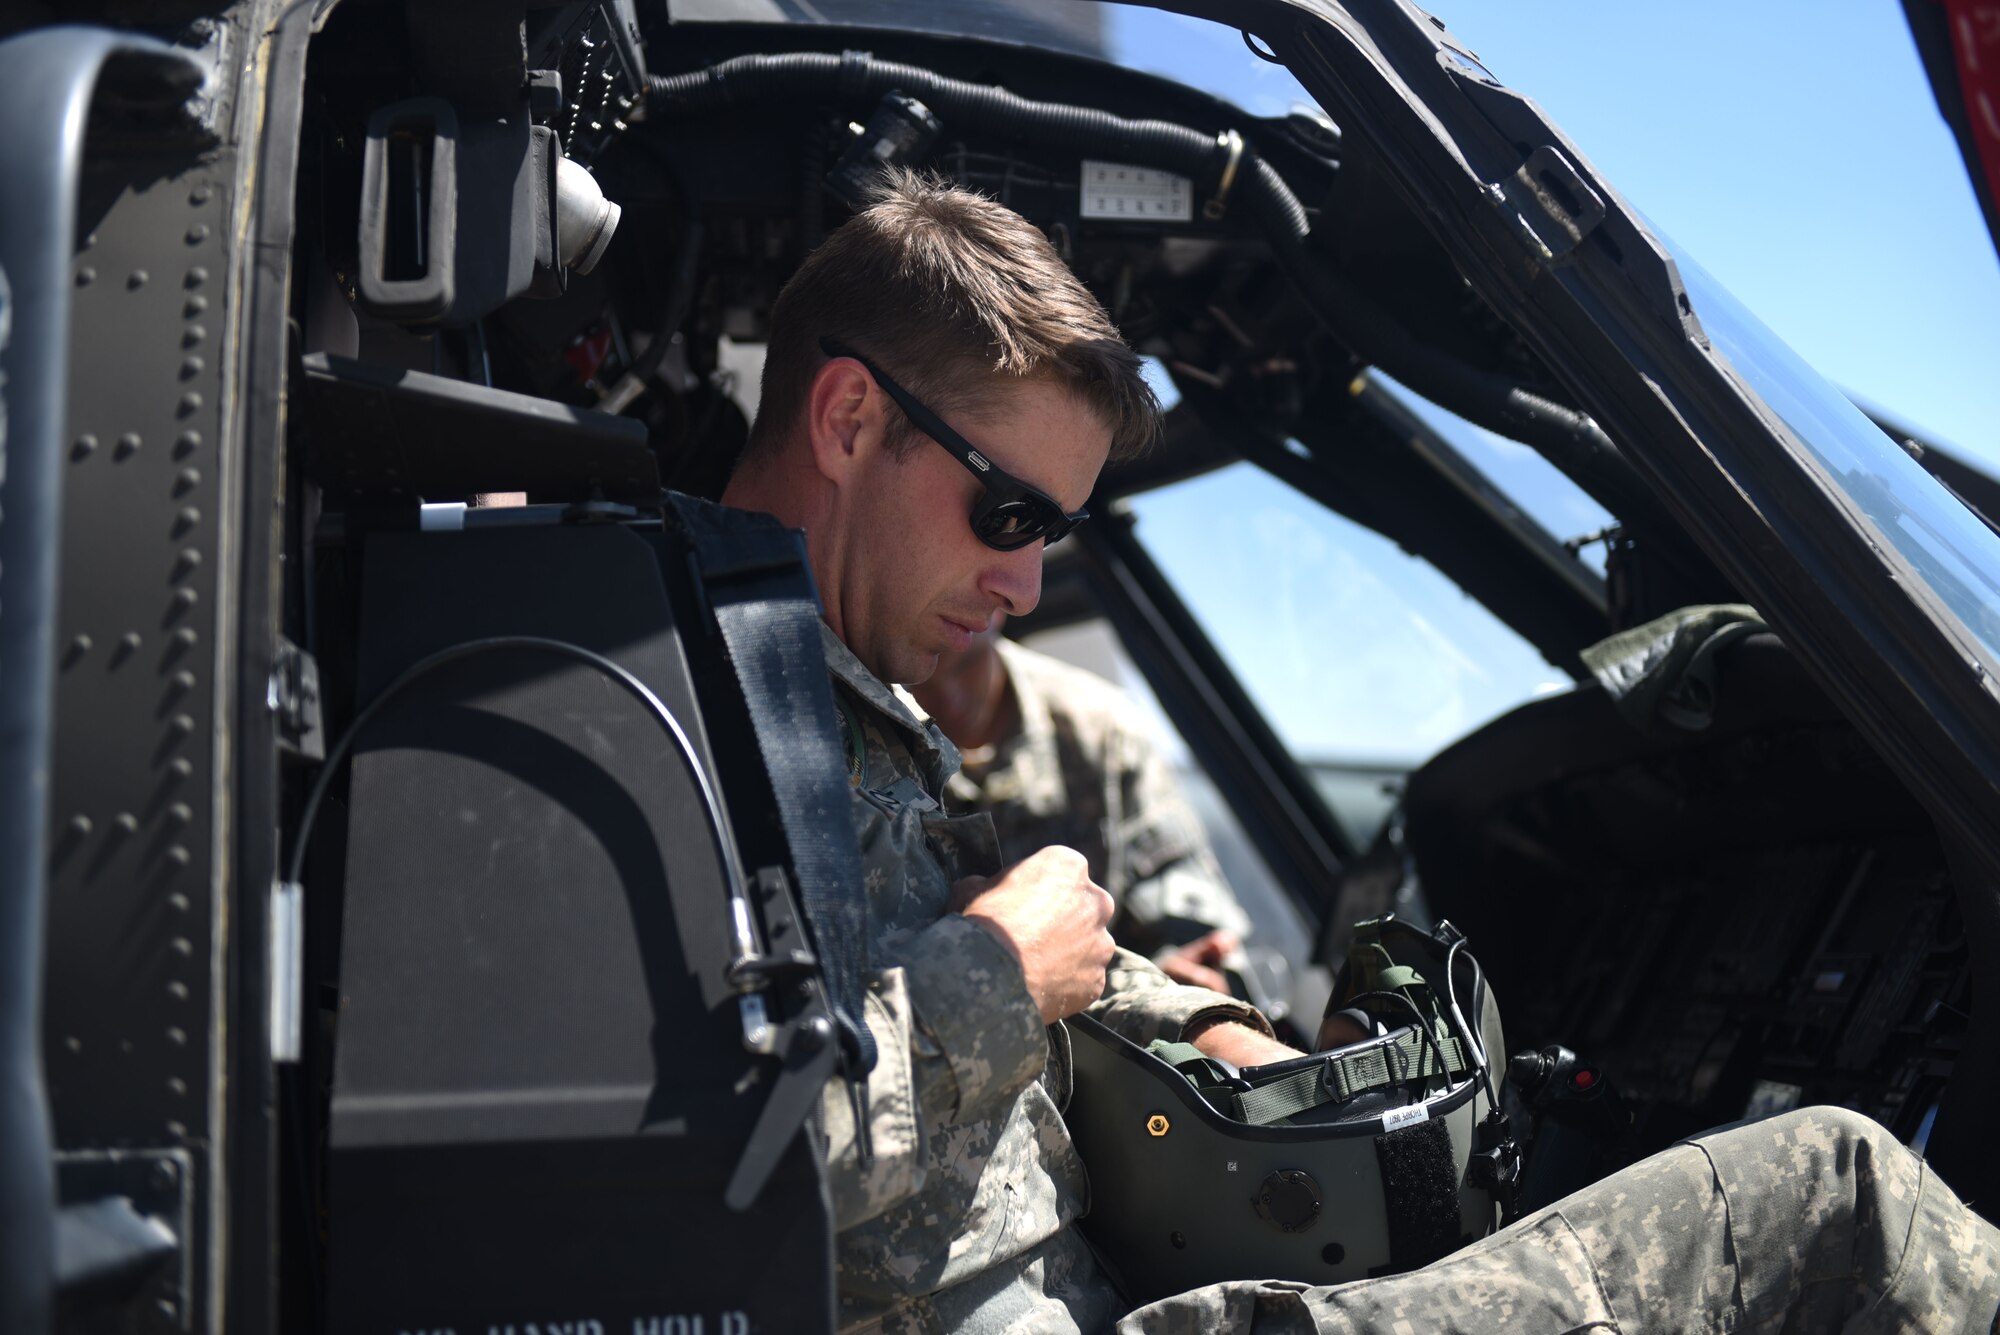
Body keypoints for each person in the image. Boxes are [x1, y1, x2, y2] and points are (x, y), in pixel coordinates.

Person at [717, 169, 2000, 1334]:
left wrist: (1217, 1033)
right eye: (1007, 512)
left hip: (1086, 1290)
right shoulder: (656, 722)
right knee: (1835, 1193)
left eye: (1052, 532)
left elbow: (879, 997)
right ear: (845, 419)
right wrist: (1002, 966)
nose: (1023, 583)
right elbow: (707, 1160)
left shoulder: (803, 697)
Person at [910, 617, 1251, 993]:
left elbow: (1182, 897)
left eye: (967, 671)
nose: (951, 703)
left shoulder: (1101, 731)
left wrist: (1179, 970)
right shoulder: (847, 743)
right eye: (915, 688)